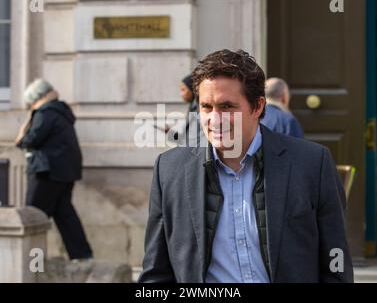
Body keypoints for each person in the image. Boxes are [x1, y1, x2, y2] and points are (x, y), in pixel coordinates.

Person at [138, 49, 353, 283]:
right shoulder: (169, 171)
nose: (214, 119)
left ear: (258, 106)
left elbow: (336, 267)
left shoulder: (312, 164)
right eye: (206, 107)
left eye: (227, 107)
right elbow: (156, 275)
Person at [15, 79, 93, 261]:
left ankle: (31, 263)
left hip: (47, 173)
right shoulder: (61, 111)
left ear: (36, 98)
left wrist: (24, 127)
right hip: (65, 172)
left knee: (32, 216)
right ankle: (83, 256)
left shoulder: (45, 113)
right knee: (65, 214)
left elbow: (28, 140)